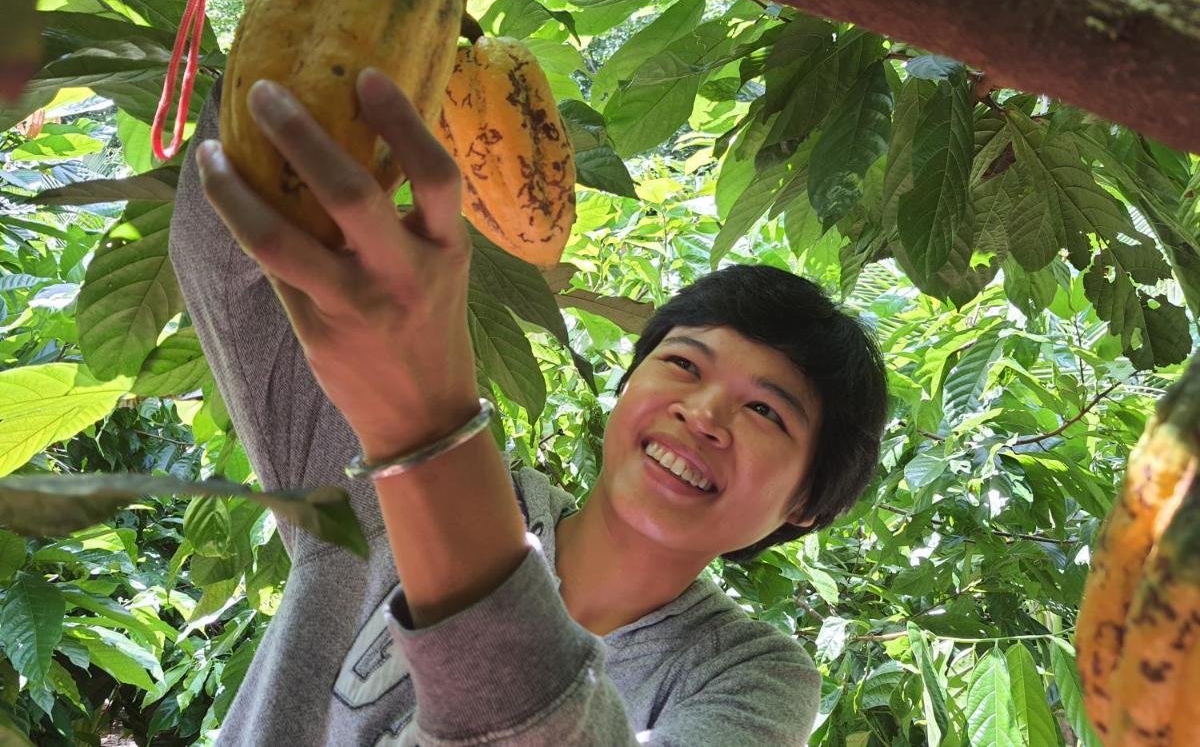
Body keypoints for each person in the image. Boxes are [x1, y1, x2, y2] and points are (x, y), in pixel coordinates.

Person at [168, 68, 889, 746]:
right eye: (681, 364)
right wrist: (365, 46)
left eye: (766, 412)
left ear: (808, 503)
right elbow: (227, 264)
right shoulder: (376, 506)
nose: (702, 413)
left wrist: (430, 432)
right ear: (625, 388)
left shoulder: (744, 679)